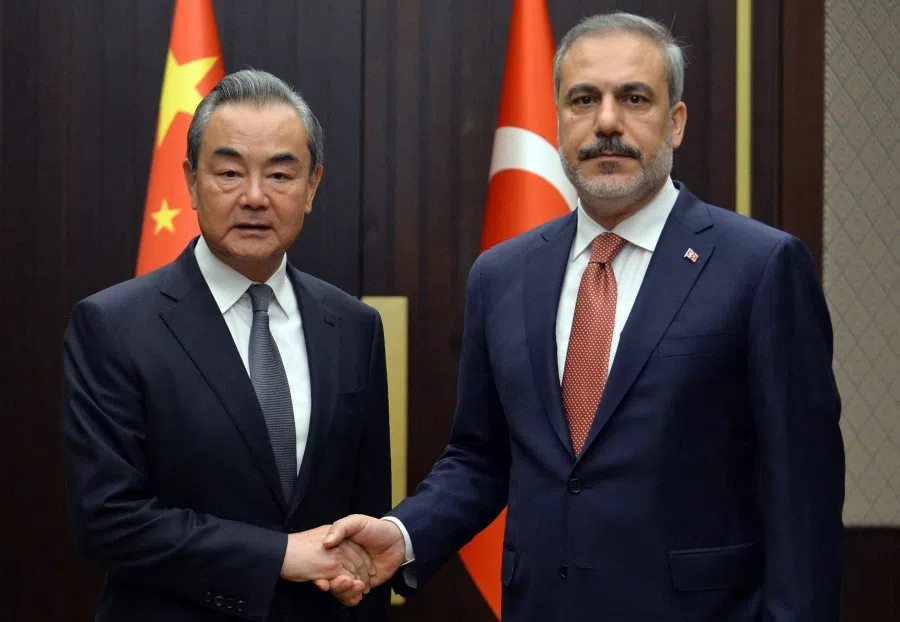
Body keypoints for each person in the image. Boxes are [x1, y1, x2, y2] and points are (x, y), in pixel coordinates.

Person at [323, 11, 845, 622]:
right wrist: (405, 534)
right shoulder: (501, 275)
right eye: (583, 99)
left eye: (634, 98)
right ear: (558, 121)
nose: (607, 122)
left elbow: (803, 492)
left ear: (676, 122)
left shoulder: (761, 267)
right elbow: (481, 457)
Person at [61, 69, 389, 622]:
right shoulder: (113, 325)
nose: (255, 197)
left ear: (312, 186)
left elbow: (365, 523)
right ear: (191, 181)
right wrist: (278, 555)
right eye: (230, 172)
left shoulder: (354, 326)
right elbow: (107, 520)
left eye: (280, 174)